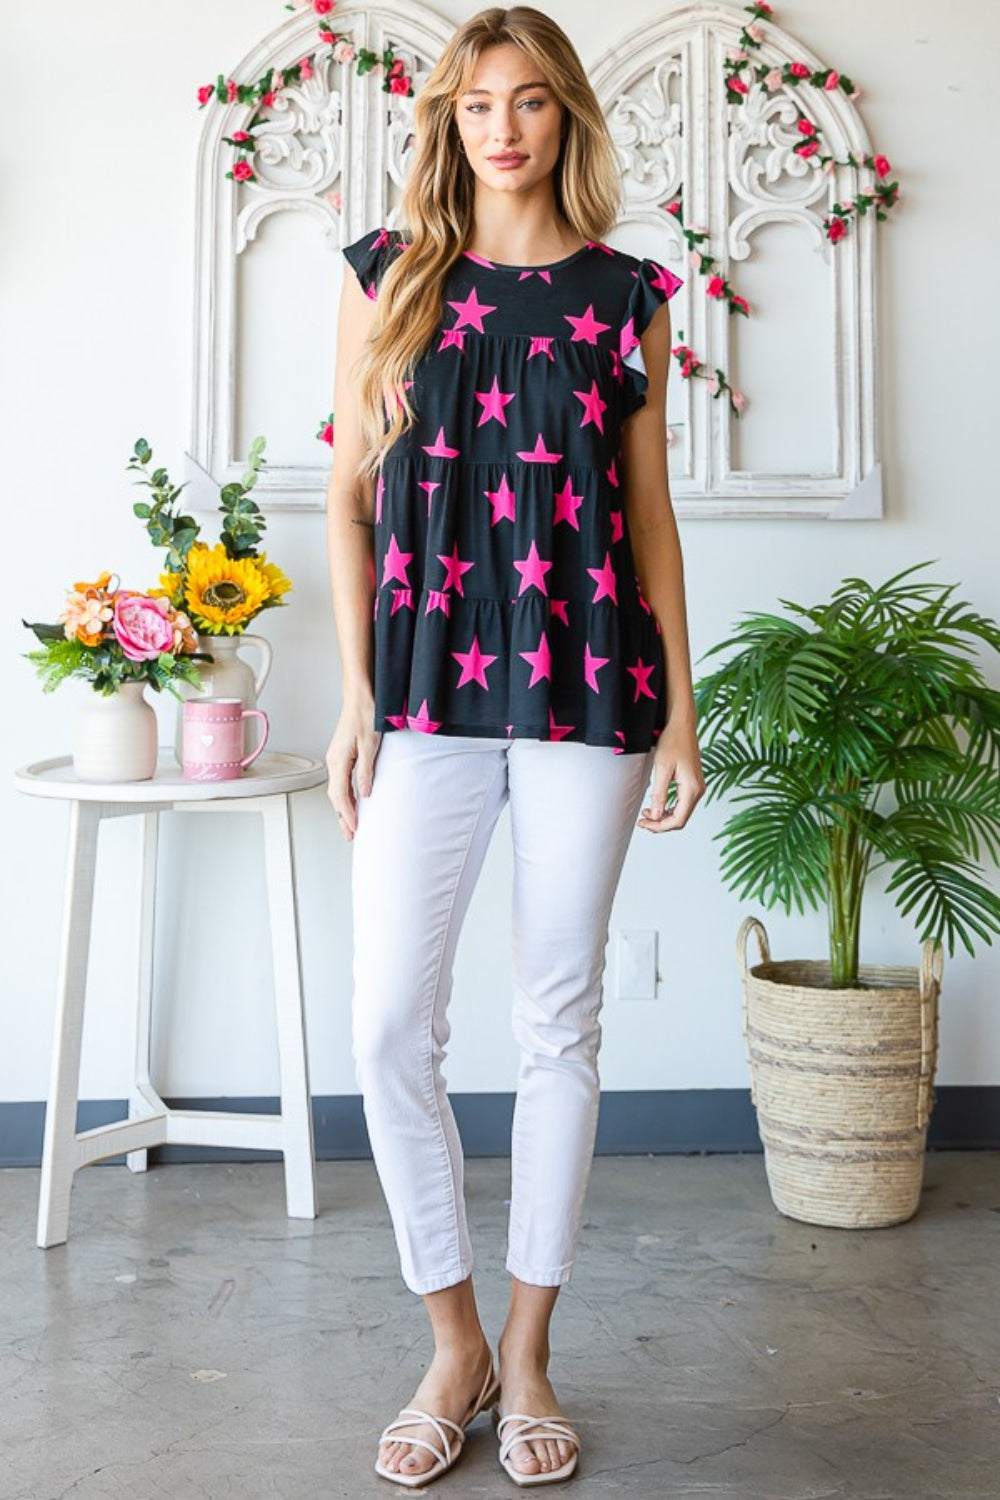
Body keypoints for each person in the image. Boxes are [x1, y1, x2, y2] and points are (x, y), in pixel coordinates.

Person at [325, 5, 704, 1487]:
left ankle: (533, 1354)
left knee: (558, 1025)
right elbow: (349, 501)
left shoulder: (628, 297)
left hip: (591, 690)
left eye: (533, 101)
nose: (504, 127)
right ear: (449, 119)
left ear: (567, 122)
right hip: (423, 691)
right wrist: (358, 699)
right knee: (384, 1027)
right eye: (480, 102)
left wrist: (678, 710)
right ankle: (453, 1340)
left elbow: (651, 514)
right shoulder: (388, 278)